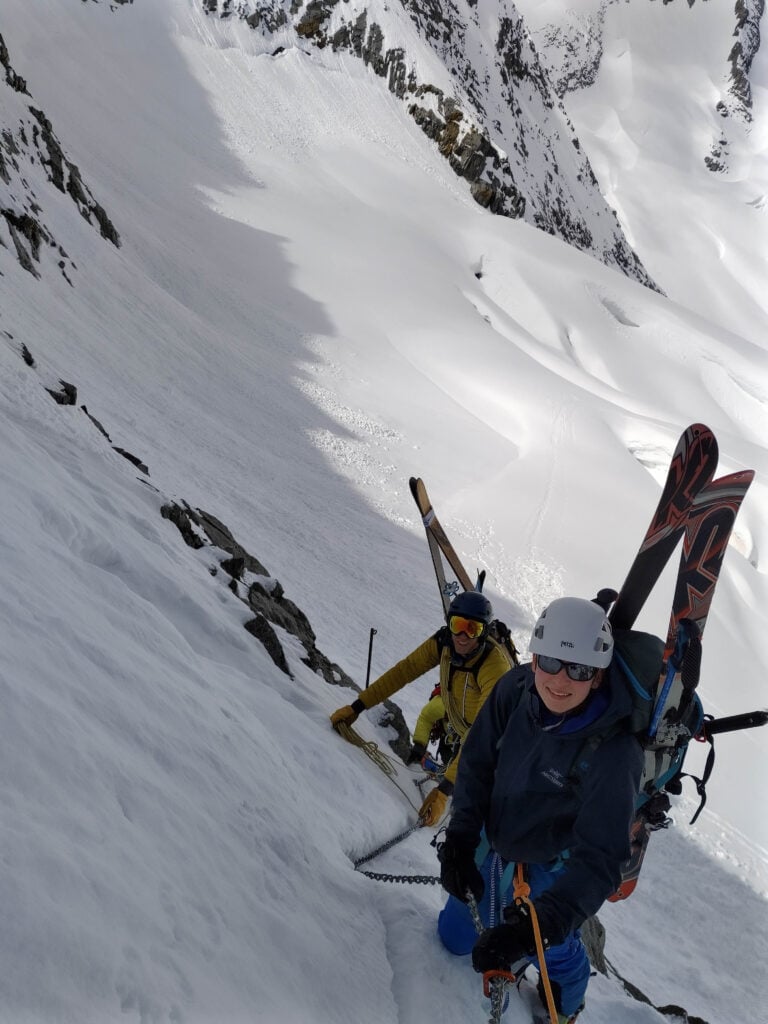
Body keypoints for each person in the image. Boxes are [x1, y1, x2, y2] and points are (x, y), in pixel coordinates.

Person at [436, 597, 643, 1024]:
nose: (560, 680)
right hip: (493, 838)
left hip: (552, 862)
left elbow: (601, 858)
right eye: (551, 661)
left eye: (579, 669)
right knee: (455, 939)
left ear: (598, 675)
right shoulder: (515, 689)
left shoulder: (615, 753)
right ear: (534, 658)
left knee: (545, 944)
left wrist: (539, 927)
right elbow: (477, 763)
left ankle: (566, 1003)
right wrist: (460, 836)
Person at [330, 590, 513, 826]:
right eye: (457, 624)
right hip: (466, 732)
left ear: (484, 632)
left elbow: (480, 735)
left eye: (473, 629)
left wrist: (443, 792)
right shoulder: (444, 643)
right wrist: (357, 706)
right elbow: (404, 671)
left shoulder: (495, 667)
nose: (462, 636)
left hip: (497, 743)